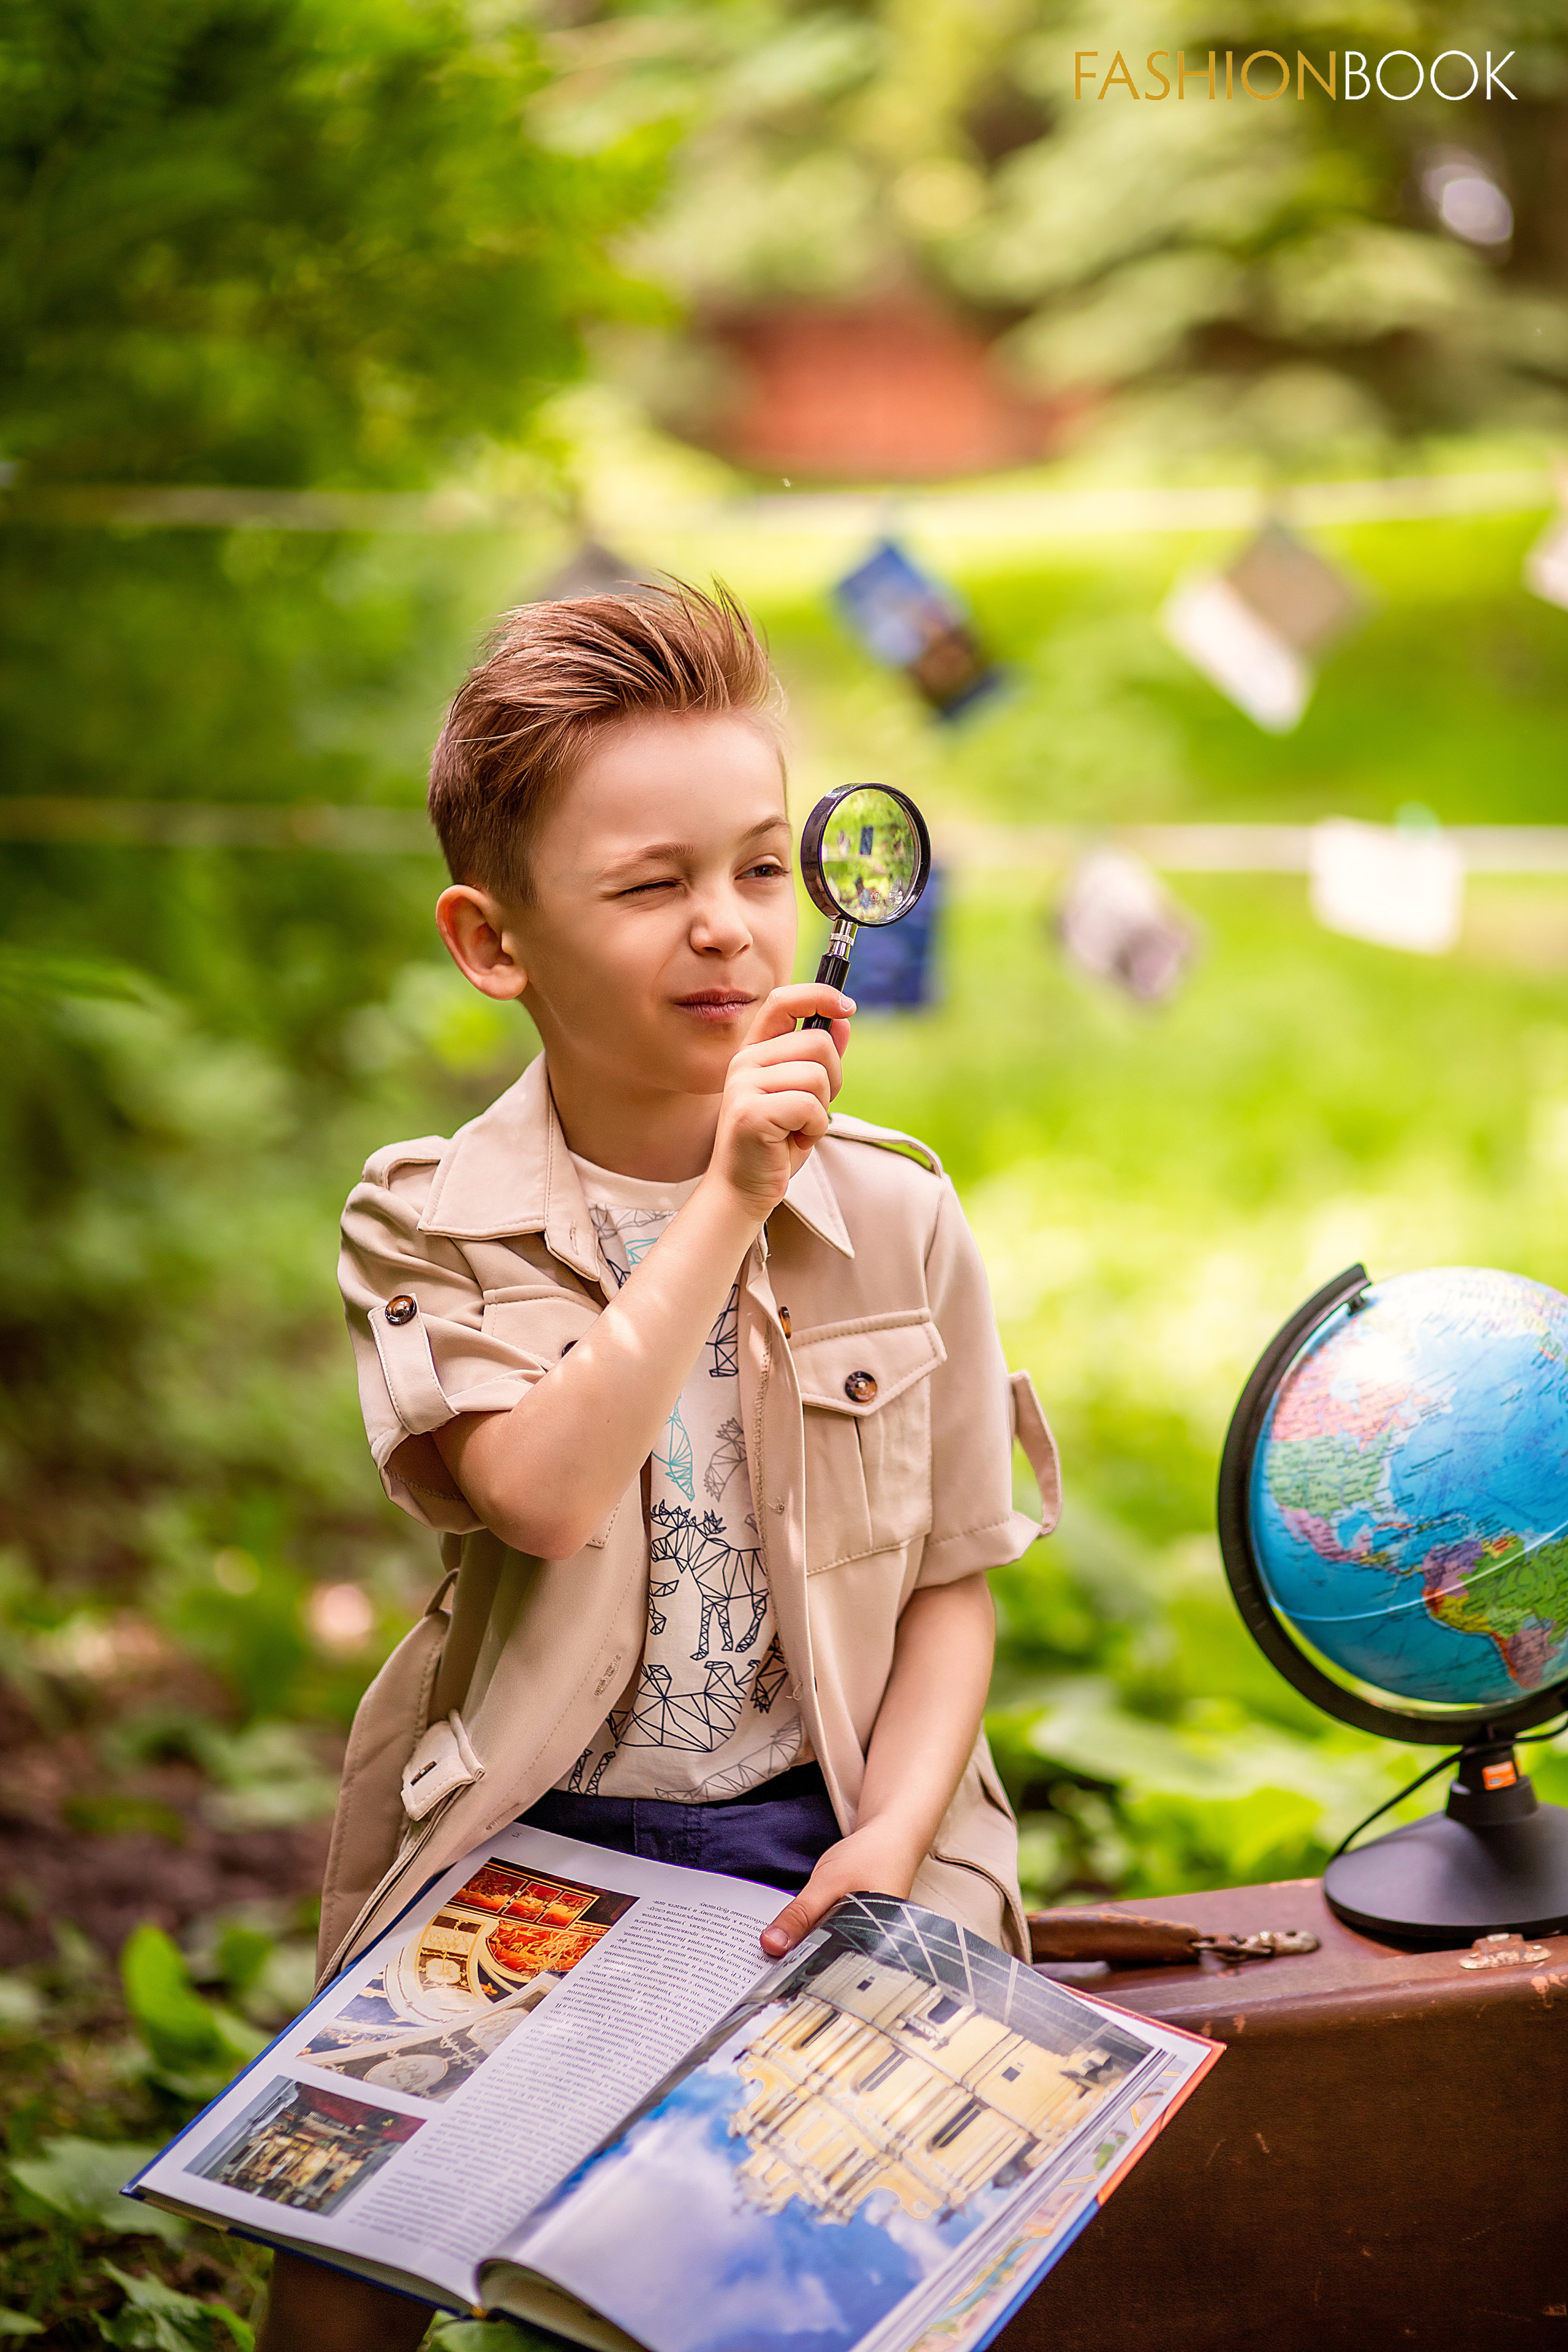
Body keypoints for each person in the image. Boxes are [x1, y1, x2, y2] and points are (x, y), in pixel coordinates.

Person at [260, 582, 1058, 2351]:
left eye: (764, 871)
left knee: (773, 2284)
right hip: (528, 1826)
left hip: (831, 1821)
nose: (727, 931)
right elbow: (535, 1490)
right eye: (648, 887)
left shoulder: (901, 1213)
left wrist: (897, 1841)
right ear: (494, 941)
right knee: (333, 2239)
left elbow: (949, 1590)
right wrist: (723, 1202)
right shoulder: (429, 1216)